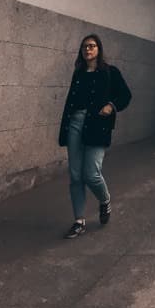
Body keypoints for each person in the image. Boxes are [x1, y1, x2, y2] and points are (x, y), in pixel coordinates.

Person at [58, 33, 131, 238]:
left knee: (91, 173)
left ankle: (105, 200)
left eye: (91, 46)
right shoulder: (79, 73)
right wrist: (66, 125)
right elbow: (70, 101)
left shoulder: (110, 72)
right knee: (75, 175)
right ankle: (79, 221)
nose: (87, 50)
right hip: (75, 124)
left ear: (99, 49)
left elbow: (126, 95)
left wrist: (111, 106)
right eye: (84, 47)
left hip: (98, 126)